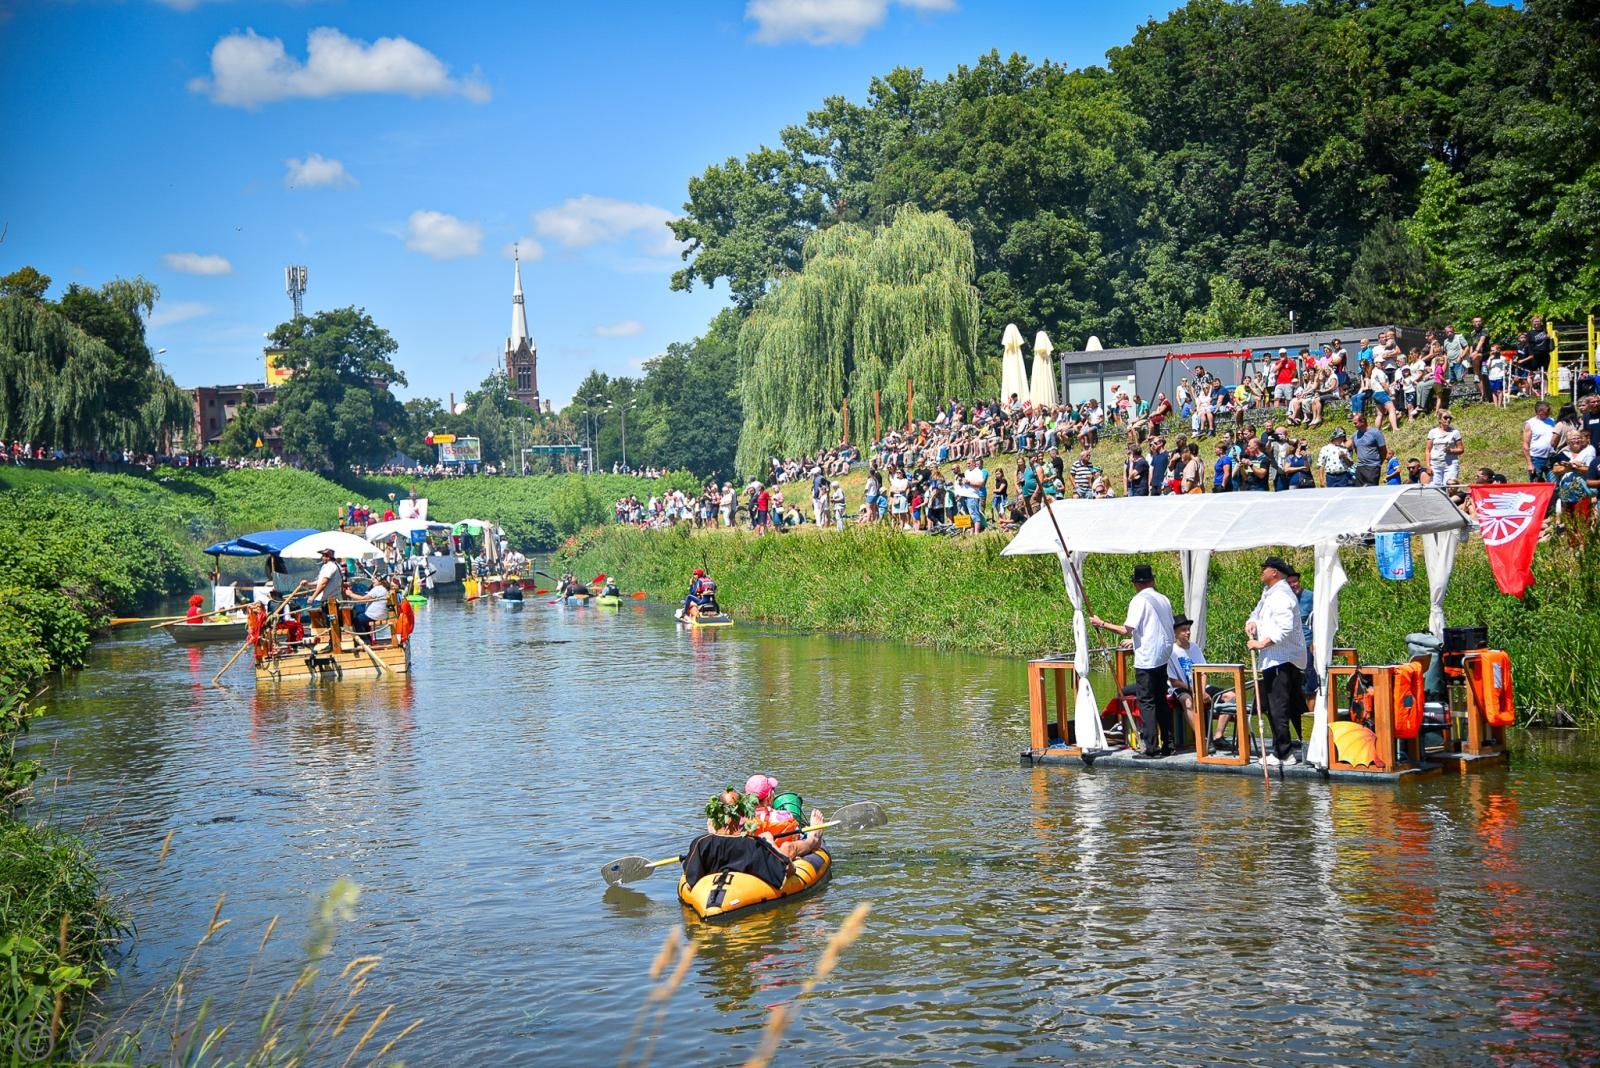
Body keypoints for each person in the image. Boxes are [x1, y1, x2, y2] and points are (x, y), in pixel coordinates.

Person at [1090, 563, 1176, 757]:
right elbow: (1159, 627)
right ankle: (1169, 745)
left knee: (1146, 701)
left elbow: (1125, 629)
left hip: (1147, 657)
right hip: (1163, 655)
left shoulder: (1139, 600)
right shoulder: (1163, 599)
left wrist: (1101, 623)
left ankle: (1151, 747)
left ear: (1136, 584)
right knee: (1161, 700)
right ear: (1152, 581)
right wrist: (1135, 639)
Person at [1245, 556, 1307, 767]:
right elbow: (1258, 612)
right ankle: (1311, 746)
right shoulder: (1269, 593)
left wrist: (1261, 644)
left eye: (1265, 568)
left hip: (1282, 659)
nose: (1262, 571)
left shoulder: (1281, 595)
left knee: (1278, 706)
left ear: (1275, 573)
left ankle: (1283, 753)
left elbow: (1285, 627)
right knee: (1296, 705)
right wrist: (1252, 622)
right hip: (1275, 659)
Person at [1426, 409, 1464, 486]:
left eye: (1450, 418)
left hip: (1450, 464)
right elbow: (1428, 450)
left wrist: (1451, 450)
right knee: (1435, 486)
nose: (1448, 419)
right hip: (1435, 464)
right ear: (1439, 419)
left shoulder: (1455, 432)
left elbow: (1461, 449)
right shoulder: (1433, 432)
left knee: (1449, 486)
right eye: (1445, 417)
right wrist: (1428, 465)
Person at [1523, 400, 1557, 481]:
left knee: (1554, 485)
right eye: (1547, 410)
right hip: (1536, 459)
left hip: (1551, 458)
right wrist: (1529, 464)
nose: (1549, 412)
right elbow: (1525, 444)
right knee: (1536, 484)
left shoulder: (1552, 421)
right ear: (1539, 411)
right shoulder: (1530, 423)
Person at [1351, 413, 1387, 487]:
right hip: (1360, 467)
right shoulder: (1355, 435)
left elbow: (1383, 450)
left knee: (1371, 490)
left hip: (1372, 467)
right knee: (1358, 490)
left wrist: (1378, 463)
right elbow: (1356, 450)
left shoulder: (1375, 433)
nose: (1354, 425)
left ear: (1363, 421)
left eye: (1355, 423)